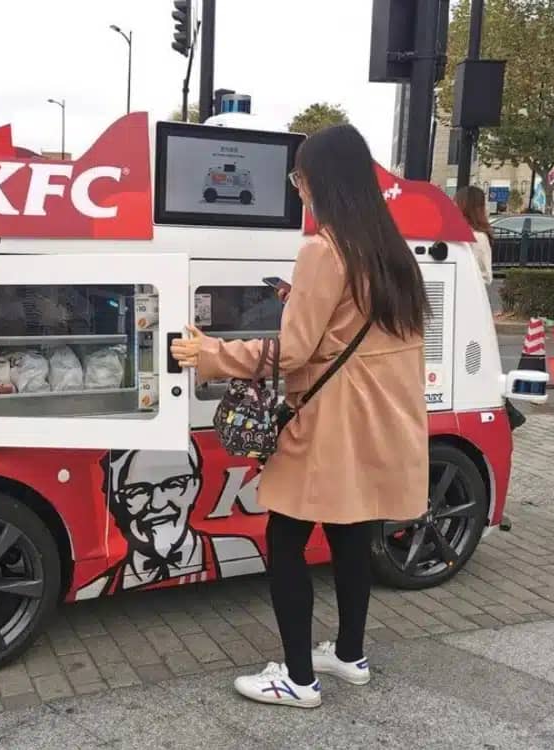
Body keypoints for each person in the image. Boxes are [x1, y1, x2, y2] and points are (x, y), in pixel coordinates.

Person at [171, 124, 430, 709]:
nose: (299, 187)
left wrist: (210, 353)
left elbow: (292, 353)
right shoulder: (393, 252)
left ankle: (297, 679)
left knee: (285, 541)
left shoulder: (323, 249)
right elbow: (361, 340)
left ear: (321, 181)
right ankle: (349, 656)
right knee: (351, 537)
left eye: (300, 177)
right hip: (379, 426)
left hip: (328, 429)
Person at [74, 439, 264, 600]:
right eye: (139, 491)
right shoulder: (98, 586)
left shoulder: (238, 548)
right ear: (116, 500)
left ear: (195, 486)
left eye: (174, 484)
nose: (157, 504)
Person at [453, 186, 493, 286]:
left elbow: (484, 276)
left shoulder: (476, 237)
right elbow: (486, 276)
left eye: (455, 203)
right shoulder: (477, 237)